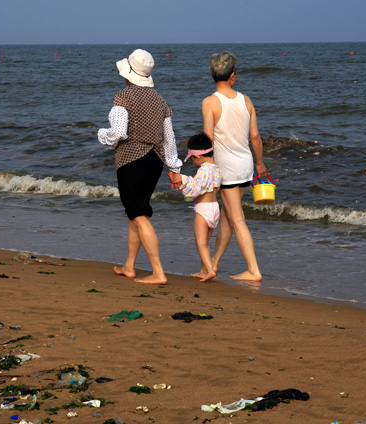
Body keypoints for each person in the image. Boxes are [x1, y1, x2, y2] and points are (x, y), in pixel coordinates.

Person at [97, 49, 182, 285]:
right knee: (135, 213)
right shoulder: (159, 99)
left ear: (128, 74)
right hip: (155, 161)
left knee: (140, 215)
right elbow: (169, 137)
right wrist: (174, 167)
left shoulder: (123, 96)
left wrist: (101, 134)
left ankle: (158, 272)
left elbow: (118, 132)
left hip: (131, 160)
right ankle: (129, 266)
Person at [200, 51, 267, 281]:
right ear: (233, 76)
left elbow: (207, 139)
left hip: (226, 169)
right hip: (245, 165)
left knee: (237, 218)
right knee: (228, 217)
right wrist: (260, 164)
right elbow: (255, 137)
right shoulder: (246, 100)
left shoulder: (209, 102)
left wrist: (202, 169)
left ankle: (253, 270)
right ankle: (213, 265)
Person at [171, 133, 222, 282]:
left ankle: (210, 270)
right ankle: (203, 270)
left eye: (192, 159)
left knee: (200, 242)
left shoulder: (204, 170)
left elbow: (196, 186)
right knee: (205, 242)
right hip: (215, 208)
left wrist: (182, 178)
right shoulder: (217, 169)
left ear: (197, 157)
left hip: (204, 209)